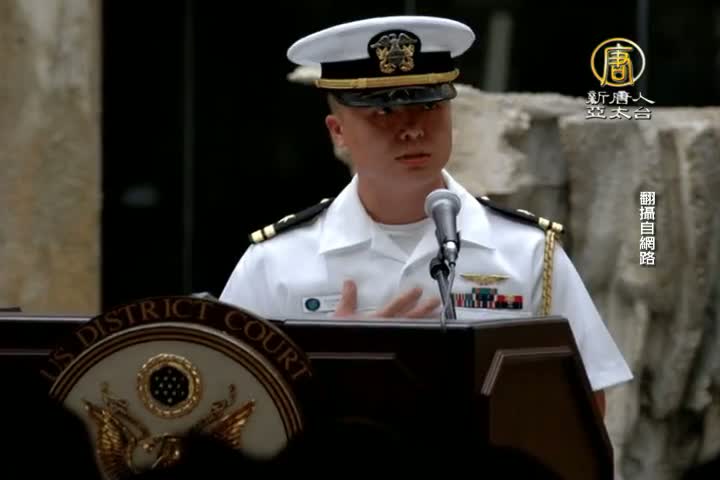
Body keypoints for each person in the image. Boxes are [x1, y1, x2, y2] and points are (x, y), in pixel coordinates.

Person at [219, 15, 633, 415]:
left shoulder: (526, 252)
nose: (413, 129)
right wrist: (330, 367)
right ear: (338, 131)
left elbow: (586, 407)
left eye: (430, 105)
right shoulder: (277, 262)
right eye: (383, 112)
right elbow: (227, 408)